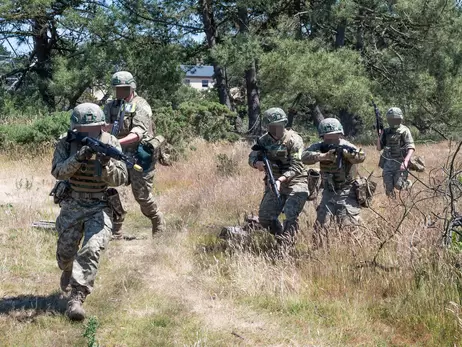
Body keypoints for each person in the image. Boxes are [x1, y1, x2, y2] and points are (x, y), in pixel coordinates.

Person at [51, 103, 128, 321]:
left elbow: (121, 179)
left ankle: (77, 298)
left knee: (92, 248)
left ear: (102, 126)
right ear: (75, 129)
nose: (89, 133)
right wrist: (79, 157)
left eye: (94, 129)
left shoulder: (111, 143)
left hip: (99, 205)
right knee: (65, 255)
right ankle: (68, 270)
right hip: (73, 204)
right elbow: (58, 172)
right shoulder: (66, 143)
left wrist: (106, 165)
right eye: (84, 130)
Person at [104, 71, 166, 238]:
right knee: (109, 188)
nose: (119, 91)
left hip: (140, 155)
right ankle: (116, 227)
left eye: (123, 88)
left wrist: (116, 142)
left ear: (131, 87)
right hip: (118, 155)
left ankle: (157, 220)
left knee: (142, 196)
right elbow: (104, 126)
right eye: (117, 88)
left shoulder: (141, 105)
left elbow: (137, 133)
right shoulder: (111, 106)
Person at [248, 107, 309, 243]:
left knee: (290, 213)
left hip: (296, 181)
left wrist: (280, 180)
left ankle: (287, 245)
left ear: (284, 124)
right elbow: (251, 157)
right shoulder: (263, 141)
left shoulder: (294, 140)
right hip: (273, 182)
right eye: (273, 126)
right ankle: (279, 237)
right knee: (265, 218)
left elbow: (297, 166)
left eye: (279, 125)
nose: (276, 129)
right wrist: (256, 163)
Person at [302, 118, 365, 247]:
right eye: (328, 137)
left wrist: (348, 155)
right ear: (322, 136)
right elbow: (304, 157)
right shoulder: (319, 146)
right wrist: (323, 156)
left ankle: (354, 251)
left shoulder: (347, 145)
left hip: (346, 192)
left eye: (334, 137)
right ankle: (318, 252)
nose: (331, 140)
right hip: (328, 192)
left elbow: (361, 157)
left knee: (349, 226)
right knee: (321, 226)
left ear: (340, 134)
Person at [376, 107, 415, 198]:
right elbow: (379, 148)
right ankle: (392, 206)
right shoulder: (386, 131)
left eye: (395, 119)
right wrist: (379, 136)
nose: (393, 121)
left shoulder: (404, 130)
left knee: (399, 185)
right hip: (388, 164)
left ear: (400, 119)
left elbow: (411, 147)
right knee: (388, 188)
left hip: (400, 162)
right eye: (391, 119)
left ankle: (408, 184)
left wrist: (405, 161)